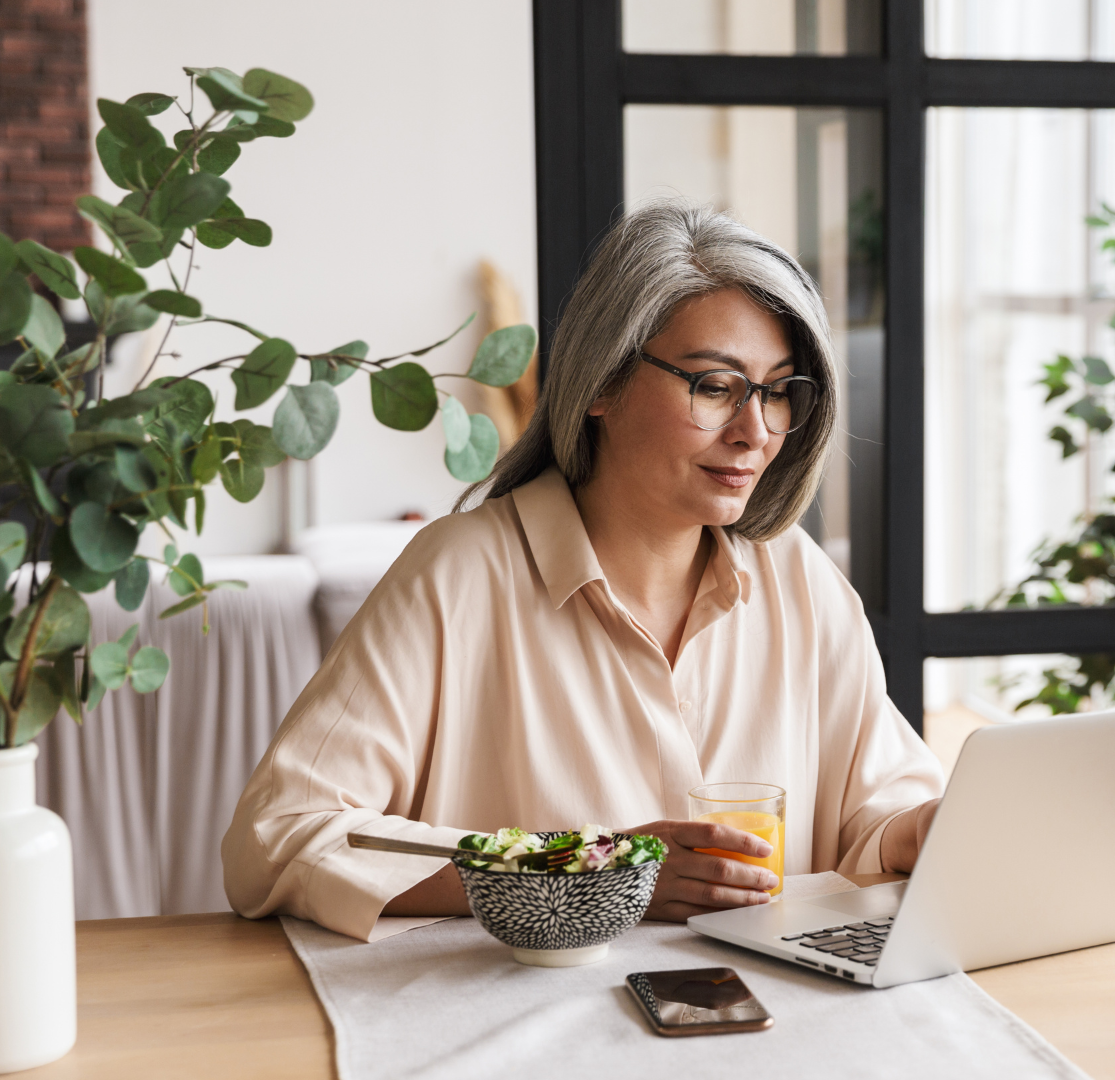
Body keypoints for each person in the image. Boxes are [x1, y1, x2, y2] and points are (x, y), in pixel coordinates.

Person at [221, 201, 945, 941]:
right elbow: (279, 838)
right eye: (715, 386)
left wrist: (918, 831)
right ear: (603, 382)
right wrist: (590, 874)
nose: (754, 431)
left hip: (768, 1032)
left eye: (777, 391)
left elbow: (878, 812)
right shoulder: (458, 575)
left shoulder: (801, 580)